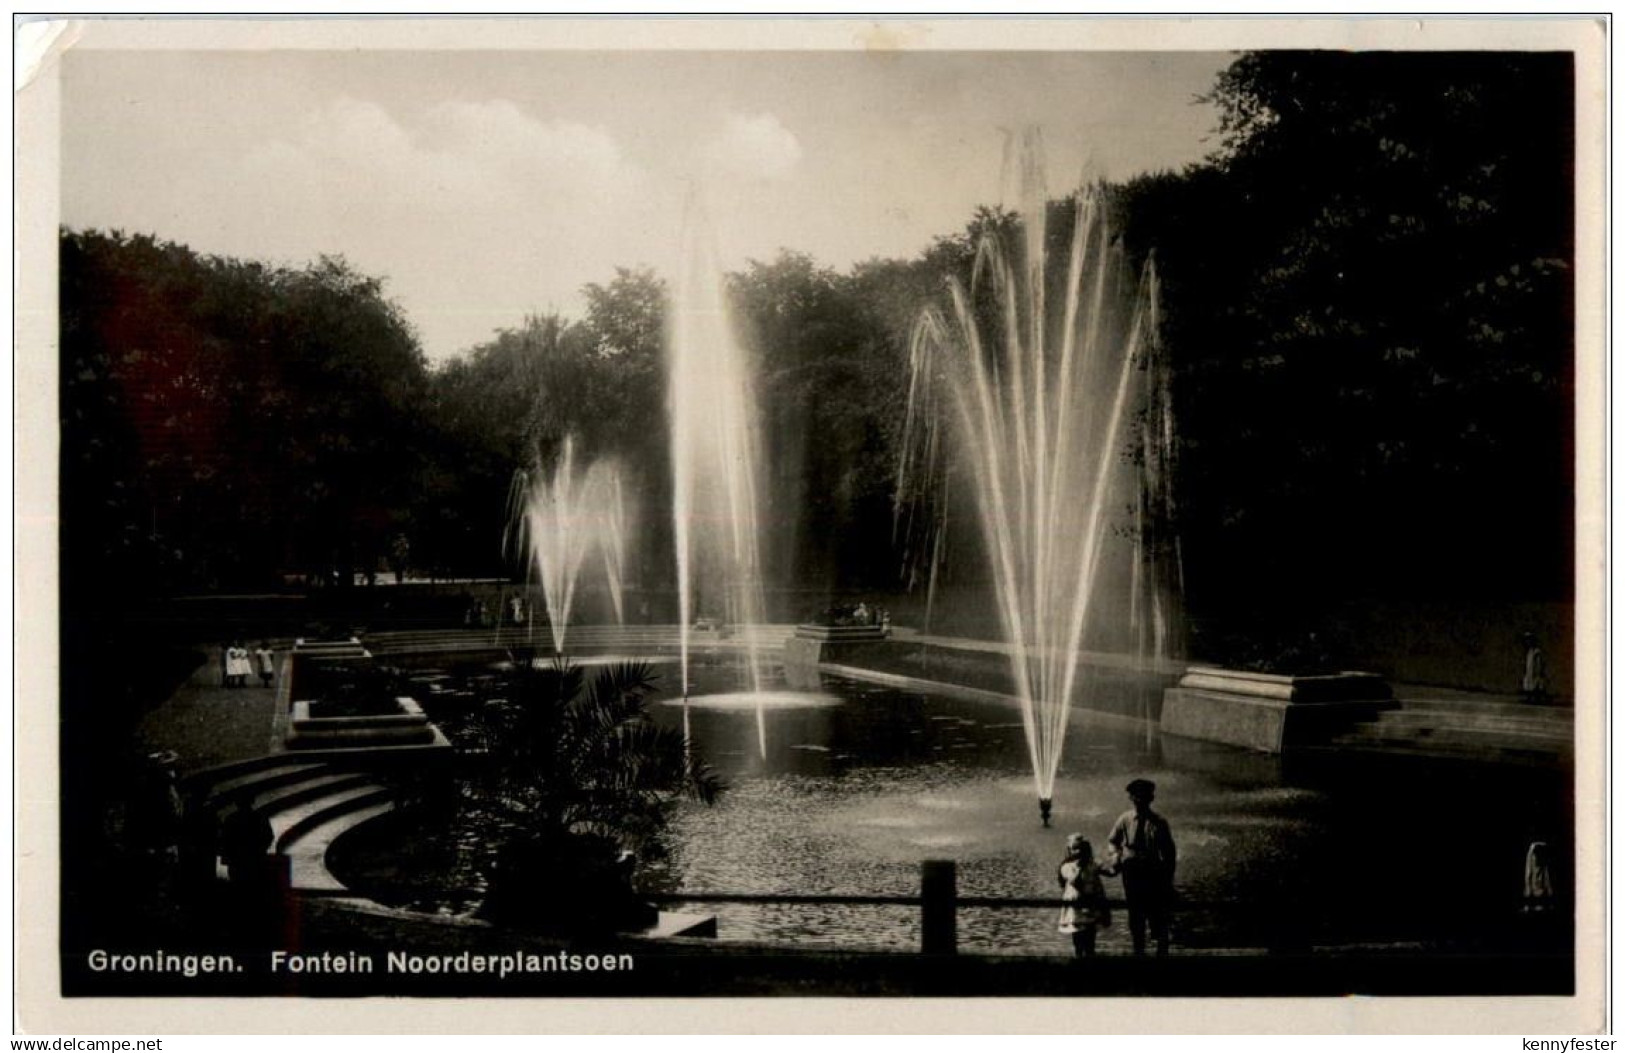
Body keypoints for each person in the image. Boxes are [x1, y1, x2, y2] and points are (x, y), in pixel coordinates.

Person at [1107, 777, 1176, 956]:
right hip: (1131, 873)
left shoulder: (1159, 823)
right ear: (1131, 799)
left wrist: (1168, 879)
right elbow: (1113, 841)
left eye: (1144, 797)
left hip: (1153, 872)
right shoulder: (1125, 819)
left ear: (1150, 799)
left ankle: (1162, 954)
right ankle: (1138, 953)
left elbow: (1169, 853)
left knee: (1157, 914)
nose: (1139, 801)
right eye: (1136, 797)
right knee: (1135, 913)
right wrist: (1115, 855)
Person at [1057, 833, 1112, 958]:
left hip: (1092, 906)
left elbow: (1110, 872)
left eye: (1081, 849)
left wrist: (1117, 857)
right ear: (1070, 851)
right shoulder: (1066, 867)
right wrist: (1080, 867)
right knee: (1078, 942)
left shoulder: (1092, 865)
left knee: (1090, 943)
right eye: (1075, 849)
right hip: (1076, 909)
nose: (1078, 852)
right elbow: (1075, 881)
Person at [1520, 633, 1548, 703]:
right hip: (1530, 672)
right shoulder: (1529, 652)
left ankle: (1537, 698)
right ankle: (1530, 698)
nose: (1527, 642)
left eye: (1529, 640)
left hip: (1535, 673)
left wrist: (1538, 671)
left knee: (1536, 684)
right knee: (1529, 684)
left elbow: (1538, 663)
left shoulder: (1536, 651)